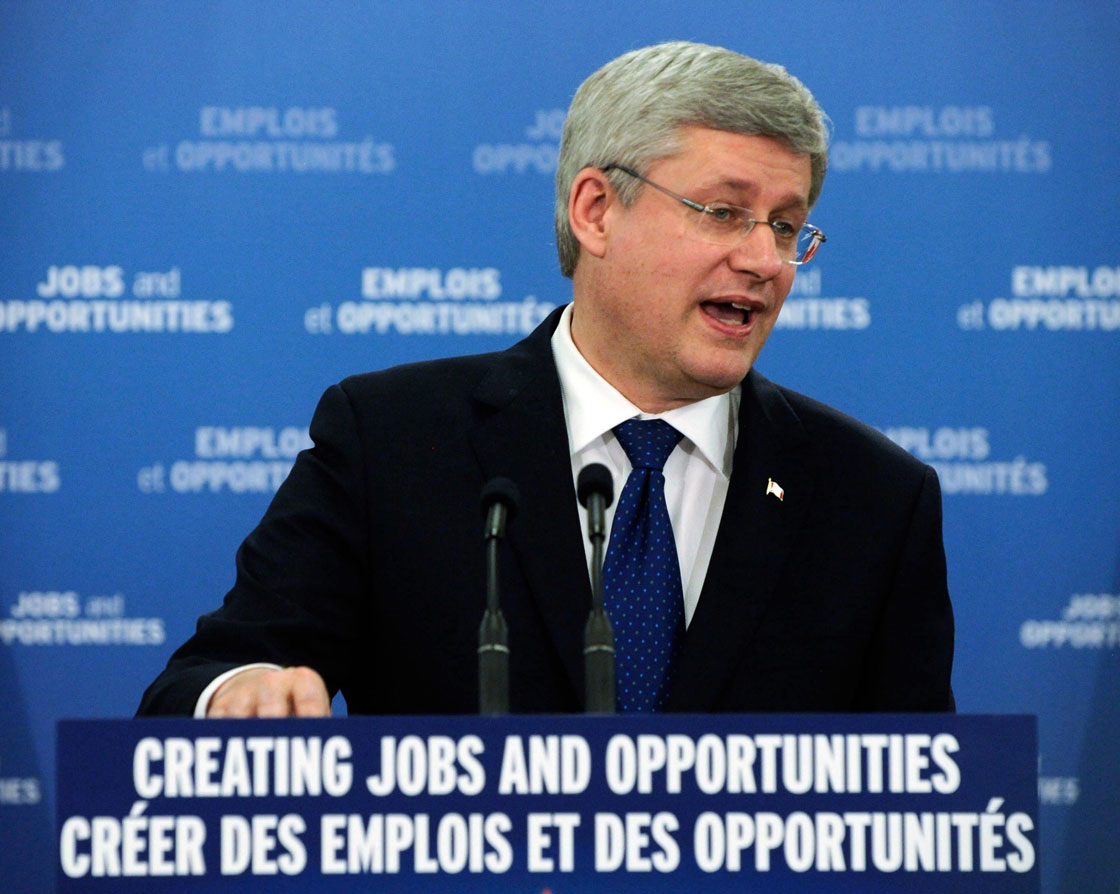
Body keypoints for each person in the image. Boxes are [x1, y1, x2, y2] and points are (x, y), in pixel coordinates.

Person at [138, 41, 954, 719]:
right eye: (723, 212)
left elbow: (925, 811)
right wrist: (240, 696)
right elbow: (204, 679)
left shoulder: (875, 498)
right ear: (596, 211)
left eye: (785, 224)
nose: (763, 260)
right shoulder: (391, 440)